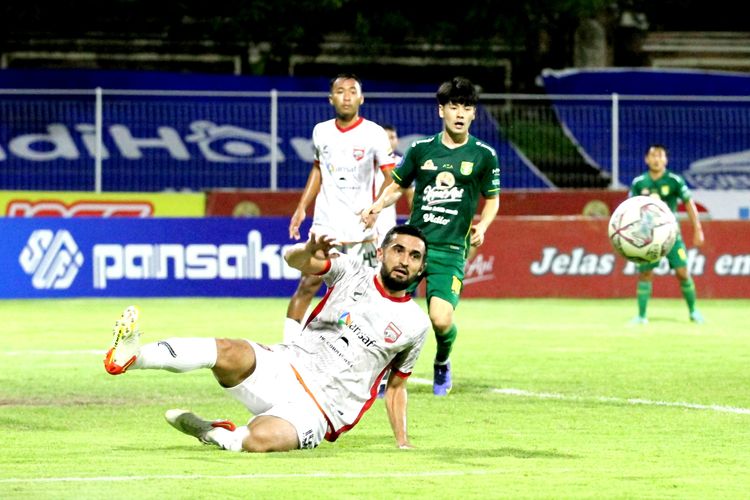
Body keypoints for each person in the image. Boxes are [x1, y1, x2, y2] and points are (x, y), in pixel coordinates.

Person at [103, 224, 430, 453]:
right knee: (228, 350)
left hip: (321, 410)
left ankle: (215, 432)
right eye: (398, 250)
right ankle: (133, 357)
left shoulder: (415, 324)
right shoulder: (351, 271)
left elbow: (397, 385)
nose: (404, 260)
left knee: (260, 440)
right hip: (287, 366)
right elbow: (293, 260)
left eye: (414, 256)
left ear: (421, 267)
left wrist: (401, 440)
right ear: (383, 251)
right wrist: (307, 250)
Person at [361, 76, 501, 396]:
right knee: (390, 312)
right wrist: (376, 205)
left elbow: (492, 198)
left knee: (440, 319)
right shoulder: (422, 149)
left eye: (466, 107)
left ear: (474, 114)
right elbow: (397, 185)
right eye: (454, 107)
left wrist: (483, 225)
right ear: (442, 111)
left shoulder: (484, 155)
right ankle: (384, 372)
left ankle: (442, 361)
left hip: (451, 250)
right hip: (413, 248)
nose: (460, 113)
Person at [285, 73, 397, 343]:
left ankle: (364, 354)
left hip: (361, 229)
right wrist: (302, 208)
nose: (346, 96)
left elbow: (392, 178)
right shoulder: (321, 131)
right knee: (308, 284)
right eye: (340, 91)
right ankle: (287, 349)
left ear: (361, 98)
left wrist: (375, 209)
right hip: (326, 224)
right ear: (331, 98)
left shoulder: (373, 133)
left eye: (352, 91)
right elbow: (317, 169)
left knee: (366, 296)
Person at [629, 144, 705, 324]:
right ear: (646, 159)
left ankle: (694, 312)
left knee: (683, 272)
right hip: (648, 237)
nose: (656, 159)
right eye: (653, 156)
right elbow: (630, 208)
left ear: (666, 159)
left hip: (672, 236)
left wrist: (698, 229)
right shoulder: (639, 183)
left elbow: (688, 204)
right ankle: (641, 316)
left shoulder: (674, 181)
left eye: (660, 156)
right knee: (645, 274)